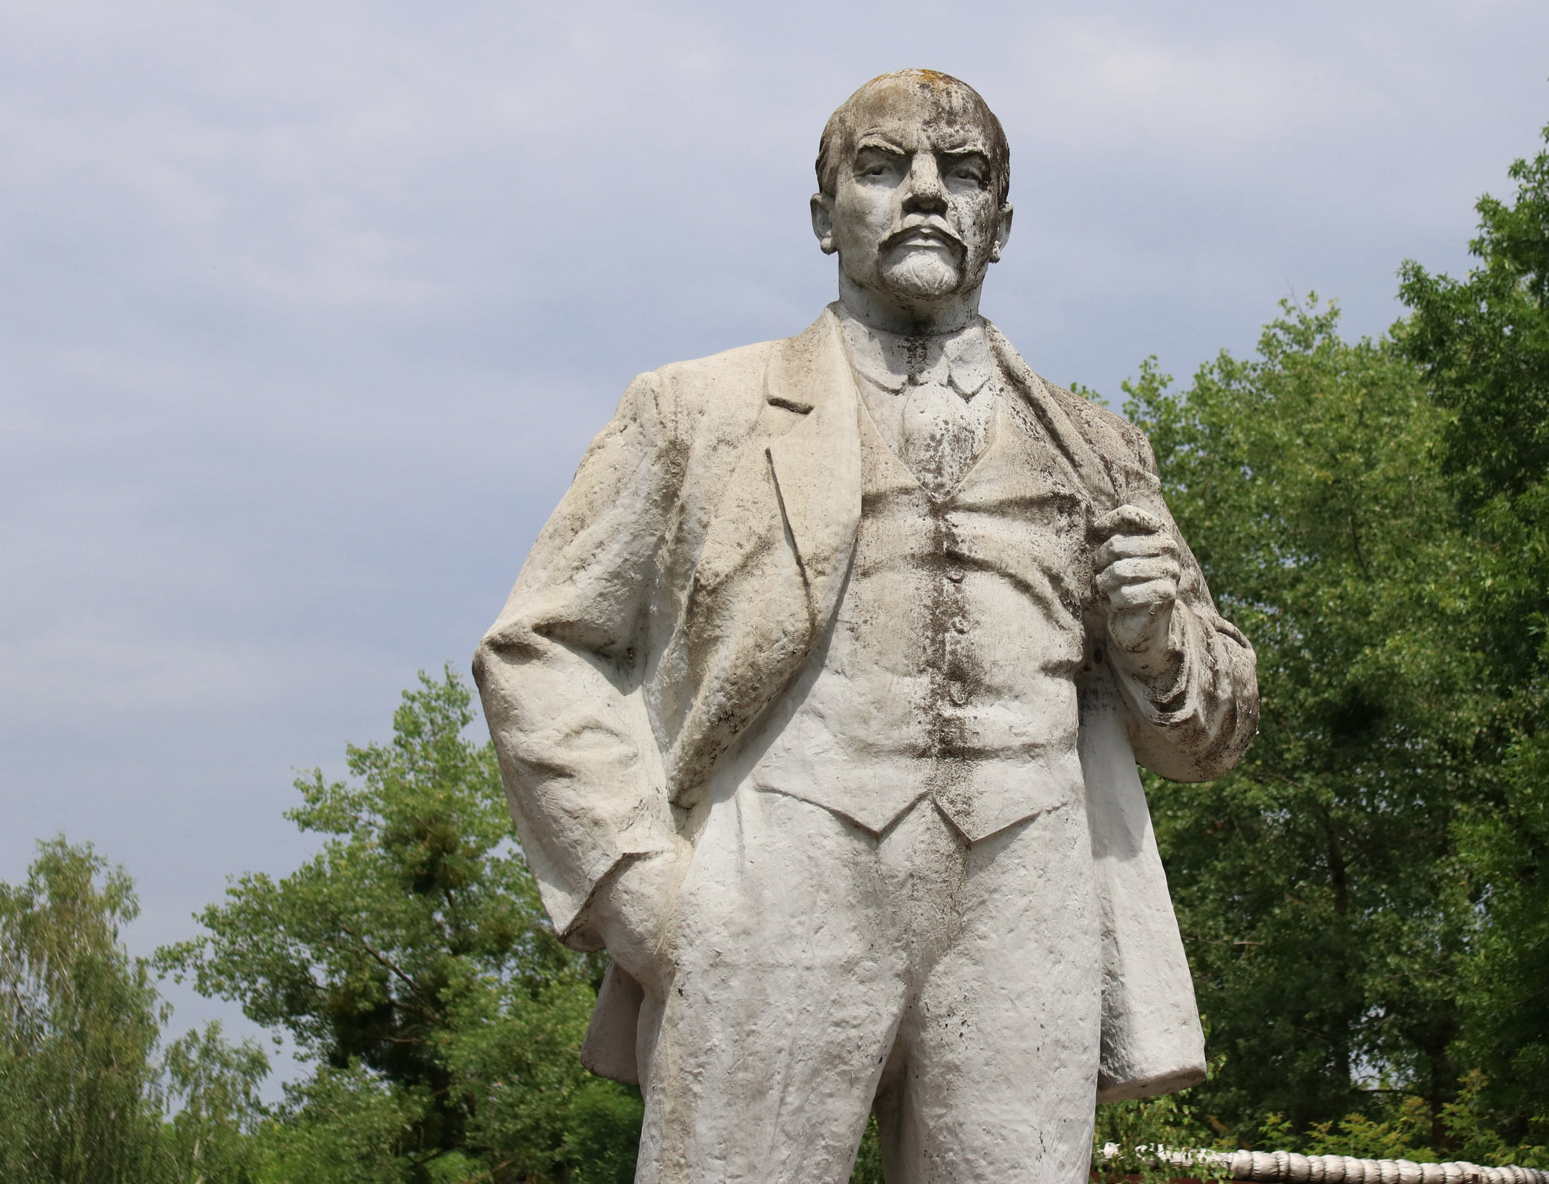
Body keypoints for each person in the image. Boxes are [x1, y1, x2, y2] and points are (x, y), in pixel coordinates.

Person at [474, 69, 1258, 1184]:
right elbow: (537, 646)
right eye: (884, 168)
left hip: (1026, 892)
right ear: (823, 211)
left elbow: (1209, 736)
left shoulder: (1097, 445)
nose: (927, 194)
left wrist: (1152, 641)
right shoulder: (698, 408)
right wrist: (642, 888)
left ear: (1000, 223)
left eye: (963, 173)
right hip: (785, 870)